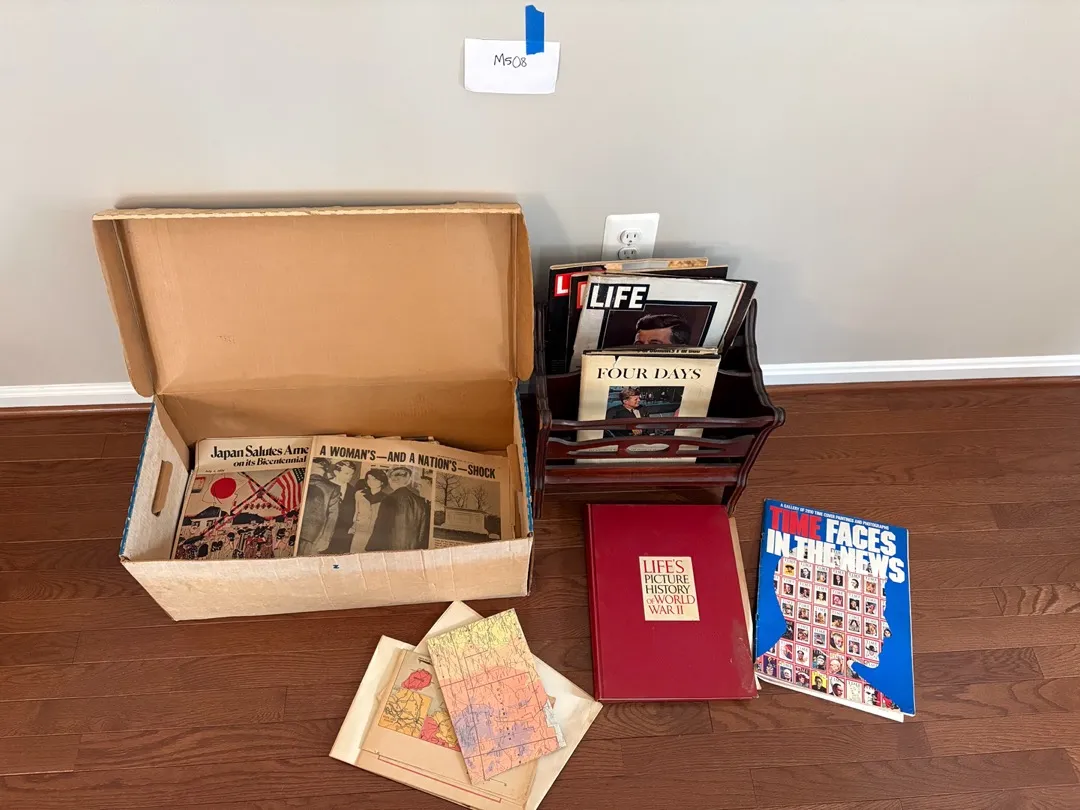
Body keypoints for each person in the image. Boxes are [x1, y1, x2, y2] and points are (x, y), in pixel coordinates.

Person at [366, 467, 431, 552]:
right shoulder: (422, 502)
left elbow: (379, 529)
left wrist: (371, 549)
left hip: (390, 550)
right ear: (408, 481)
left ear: (390, 481)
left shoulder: (387, 500)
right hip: (412, 550)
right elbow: (423, 532)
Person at [297, 458, 340, 556]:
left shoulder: (297, 482)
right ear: (325, 469)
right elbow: (333, 516)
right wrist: (325, 539)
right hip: (314, 537)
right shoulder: (333, 488)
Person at [323, 460, 361, 555]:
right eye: (346, 473)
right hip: (324, 530)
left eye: (351, 474)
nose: (349, 477)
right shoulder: (324, 486)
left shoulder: (353, 491)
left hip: (342, 532)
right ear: (336, 472)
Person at [351, 468, 390, 552]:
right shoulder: (359, 494)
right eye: (369, 479)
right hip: (359, 531)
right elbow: (356, 512)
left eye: (375, 479)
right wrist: (353, 527)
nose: (371, 482)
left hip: (375, 534)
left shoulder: (386, 498)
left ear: (382, 482)